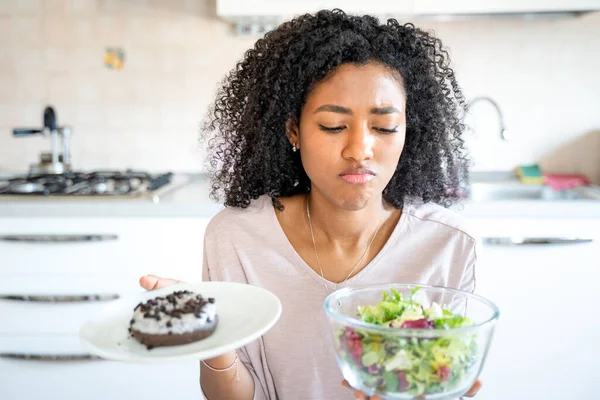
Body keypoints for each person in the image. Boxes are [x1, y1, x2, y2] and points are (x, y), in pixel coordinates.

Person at [141, 9, 482, 400]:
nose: (359, 150)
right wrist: (212, 336)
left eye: (385, 127)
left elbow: (441, 378)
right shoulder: (236, 237)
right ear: (293, 130)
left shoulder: (448, 246)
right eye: (333, 126)